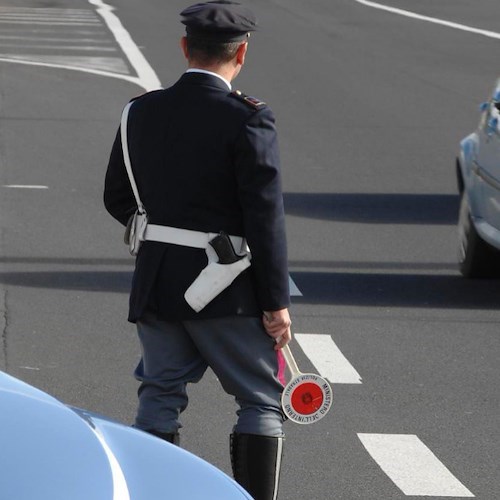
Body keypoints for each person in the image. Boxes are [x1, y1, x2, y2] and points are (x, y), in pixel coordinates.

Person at [104, 2, 291, 498]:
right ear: (242, 54)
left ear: (185, 47)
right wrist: (276, 304)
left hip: (158, 280)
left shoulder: (139, 111)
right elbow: (264, 218)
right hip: (226, 289)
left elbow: (117, 198)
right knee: (259, 400)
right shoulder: (249, 119)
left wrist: (164, 238)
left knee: (159, 396)